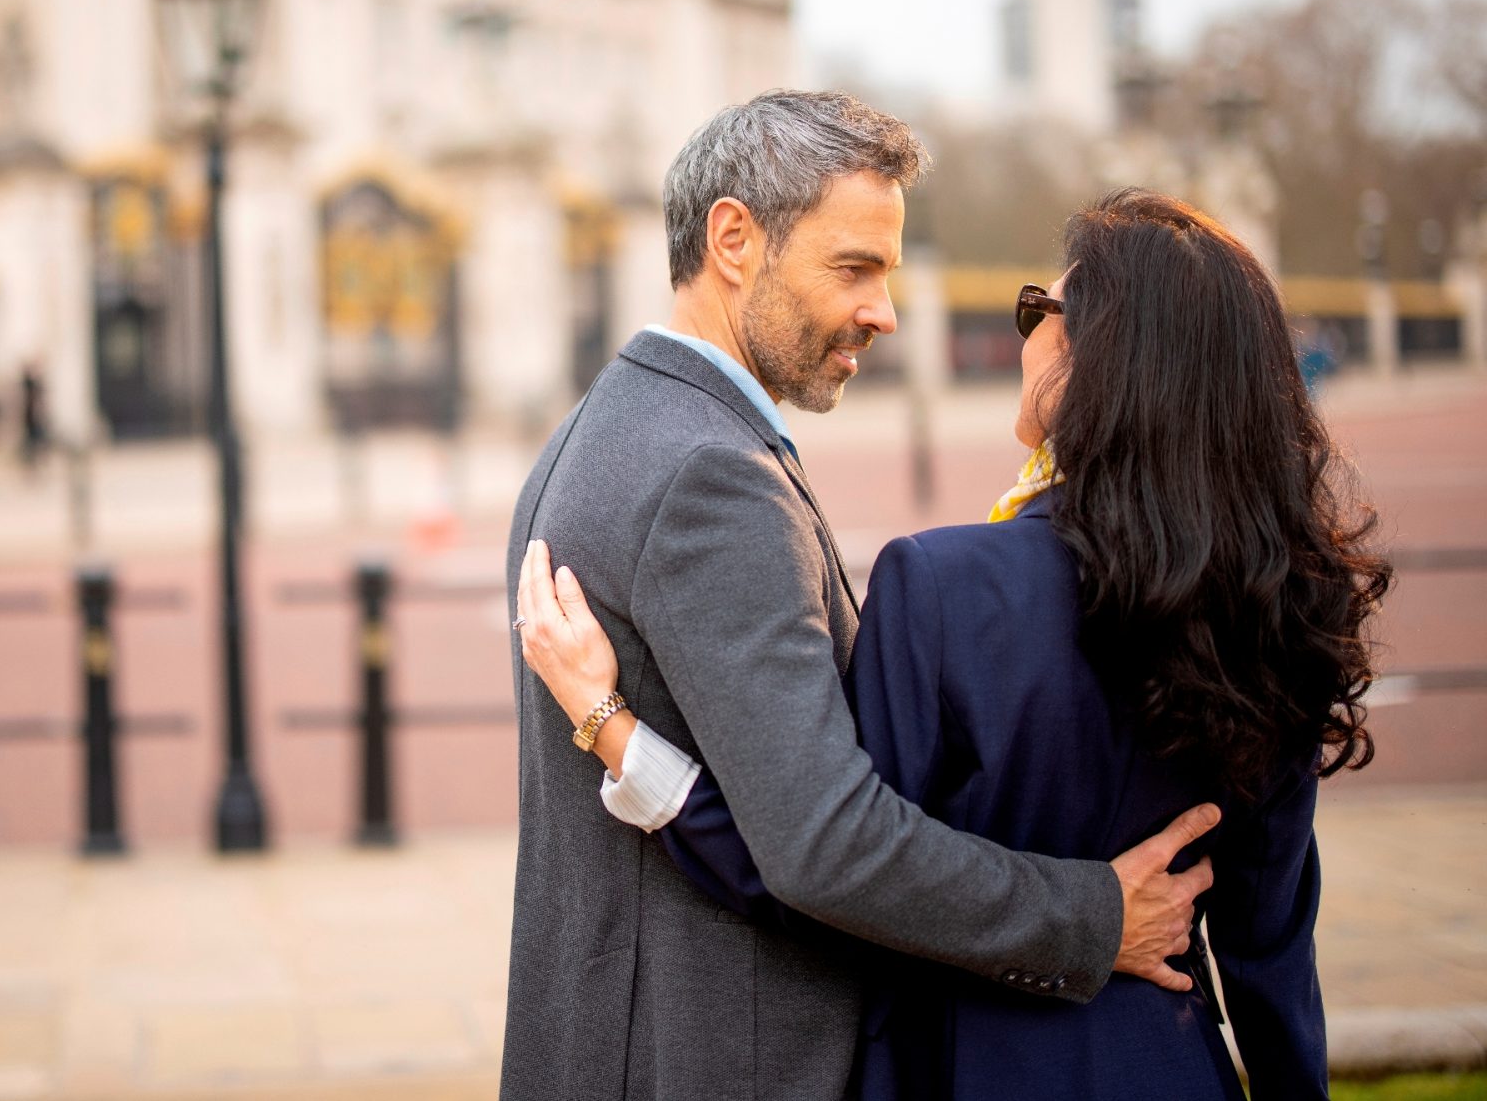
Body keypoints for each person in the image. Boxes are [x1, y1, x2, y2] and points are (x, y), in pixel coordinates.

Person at [517, 188, 1389, 1098]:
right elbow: (1271, 952)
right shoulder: (1283, 598)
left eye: (1037, 310)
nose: (1026, 334)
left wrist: (611, 725)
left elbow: (818, 871)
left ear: (1099, 357)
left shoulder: (944, 589)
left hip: (966, 1068)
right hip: (1169, 1064)